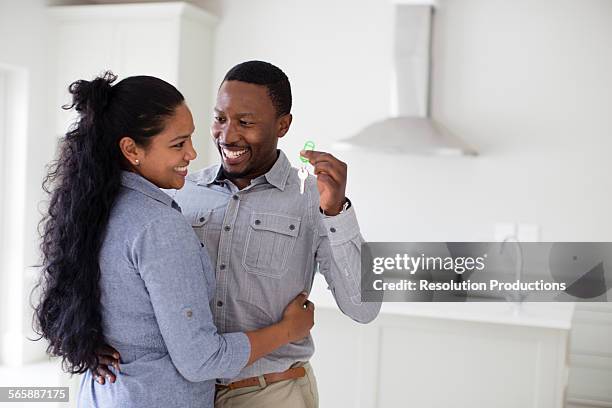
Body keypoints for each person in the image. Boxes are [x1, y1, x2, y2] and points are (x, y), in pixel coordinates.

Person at [97, 61, 382, 407]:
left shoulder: (312, 198)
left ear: (283, 125)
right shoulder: (181, 190)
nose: (228, 135)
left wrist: (335, 211)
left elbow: (364, 308)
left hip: (271, 392)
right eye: (220, 118)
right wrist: (92, 336)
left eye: (245, 122)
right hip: (186, 394)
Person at [33, 71, 314, 408]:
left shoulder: (92, 210)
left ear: (283, 125)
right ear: (131, 149)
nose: (192, 154)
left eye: (191, 139)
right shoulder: (159, 225)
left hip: (102, 395)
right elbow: (201, 360)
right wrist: (288, 329)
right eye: (178, 144)